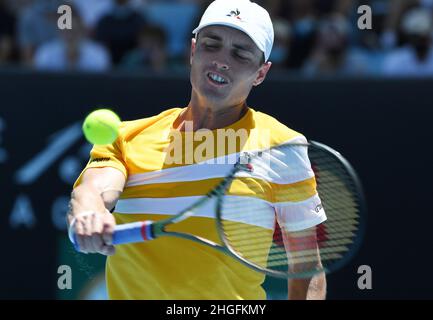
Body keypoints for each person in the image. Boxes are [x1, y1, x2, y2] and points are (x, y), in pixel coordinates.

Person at [67, 0, 327, 300]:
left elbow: (306, 265)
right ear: (193, 51)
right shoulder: (127, 137)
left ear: (260, 73)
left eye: (240, 53)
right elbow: (93, 189)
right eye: (211, 45)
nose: (221, 60)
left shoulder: (283, 147)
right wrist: (90, 213)